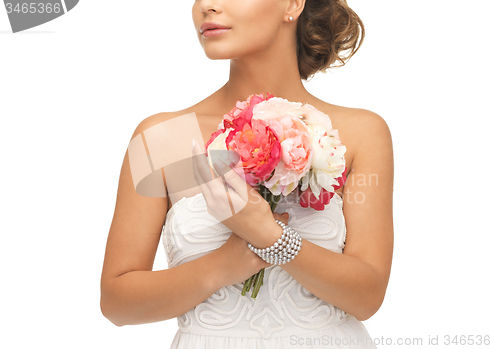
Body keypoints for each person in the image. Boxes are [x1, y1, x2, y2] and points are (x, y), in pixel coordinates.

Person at [100, 0, 394, 348]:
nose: (206, 6)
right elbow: (116, 304)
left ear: (293, 4)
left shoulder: (361, 133)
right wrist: (224, 265)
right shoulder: (159, 139)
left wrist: (272, 237)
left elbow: (367, 297)